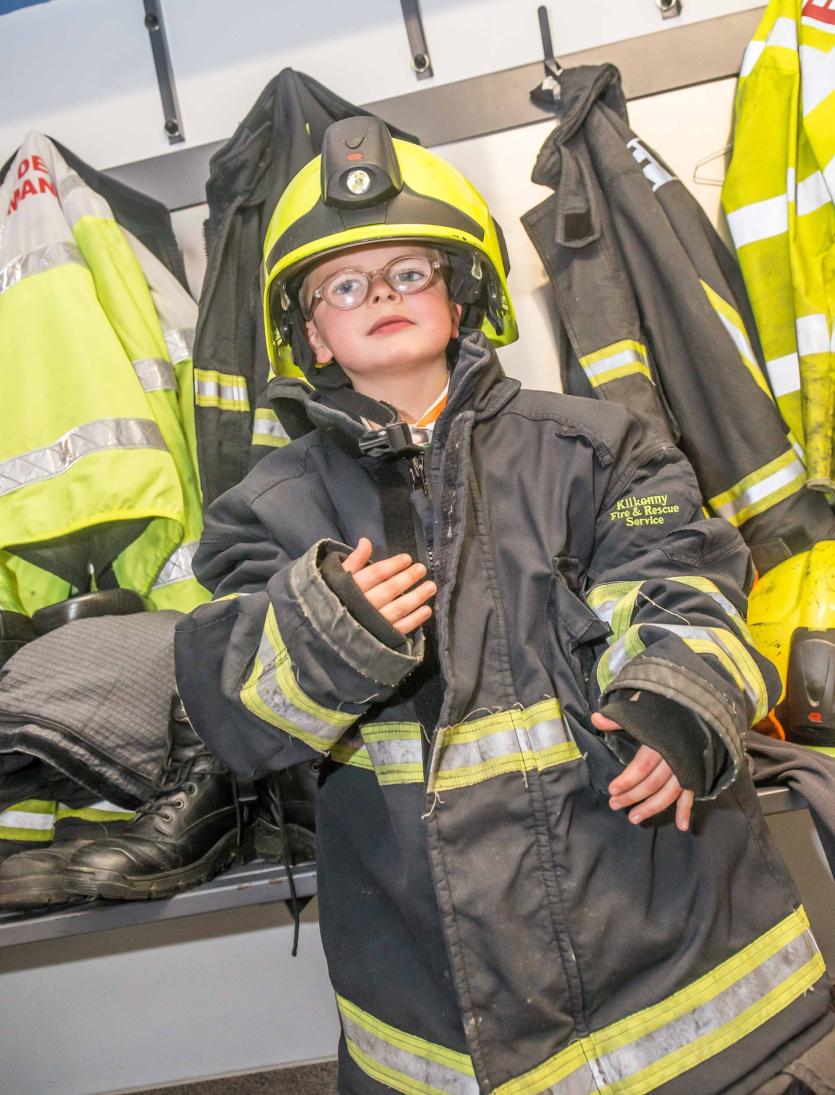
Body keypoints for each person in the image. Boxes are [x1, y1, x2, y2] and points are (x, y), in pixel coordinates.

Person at [174, 118, 834, 1094]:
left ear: (462, 290)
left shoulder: (598, 447)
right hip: (440, 1016)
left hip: (686, 974)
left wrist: (679, 698)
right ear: (311, 332)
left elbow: (681, 578)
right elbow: (233, 713)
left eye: (408, 273)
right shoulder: (261, 514)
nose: (381, 297)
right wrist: (320, 637)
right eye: (345, 285)